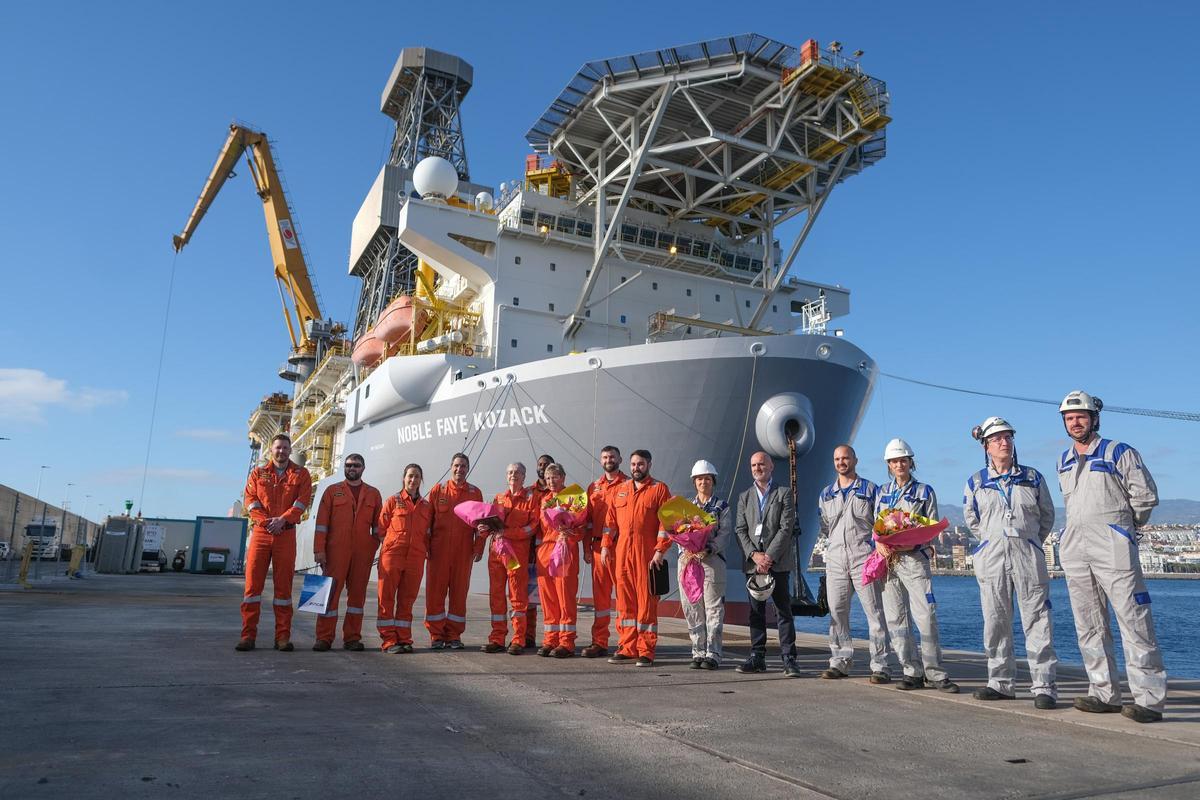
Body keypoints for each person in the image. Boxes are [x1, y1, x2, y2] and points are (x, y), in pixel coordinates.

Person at [1056, 390, 1166, 723]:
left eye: (1081, 417)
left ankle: (1148, 698)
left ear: (1094, 418)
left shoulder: (1120, 452)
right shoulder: (1063, 459)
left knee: (1133, 619)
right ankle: (1104, 692)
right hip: (1077, 547)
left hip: (1113, 545)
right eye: (1069, 418)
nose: (1076, 423)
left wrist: (1123, 529)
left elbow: (1145, 498)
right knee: (1088, 623)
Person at [963, 417, 1058, 708]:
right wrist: (993, 541)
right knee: (995, 620)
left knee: (1037, 619)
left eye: (1008, 437)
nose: (1004, 443)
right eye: (997, 439)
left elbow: (1047, 516)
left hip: (1027, 554)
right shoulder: (976, 482)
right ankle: (1000, 682)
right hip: (992, 557)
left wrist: (1028, 541)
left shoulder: (1033, 477)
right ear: (986, 447)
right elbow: (972, 521)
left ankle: (1044, 686)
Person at [876, 438, 959, 692]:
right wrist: (879, 544)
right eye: (894, 461)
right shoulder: (882, 492)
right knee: (896, 619)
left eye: (903, 460)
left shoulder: (924, 492)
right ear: (888, 465)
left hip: (915, 560)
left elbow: (930, 526)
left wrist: (909, 543)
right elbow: (875, 526)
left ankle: (935, 673)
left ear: (911, 463)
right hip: (889, 563)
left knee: (926, 617)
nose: (899, 464)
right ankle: (910, 670)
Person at [817, 444, 893, 683]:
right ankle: (840, 661)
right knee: (837, 613)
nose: (841, 462)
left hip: (864, 559)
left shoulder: (871, 490)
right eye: (837, 459)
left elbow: (881, 525)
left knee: (875, 613)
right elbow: (825, 526)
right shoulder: (826, 494)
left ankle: (880, 665)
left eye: (845, 458)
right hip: (836, 561)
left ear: (855, 460)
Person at [237, 433, 312, 652]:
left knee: (283, 590)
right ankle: (247, 636)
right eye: (278, 448)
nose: (281, 451)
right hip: (262, 533)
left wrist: (283, 520)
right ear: (271, 450)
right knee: (252, 588)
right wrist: (266, 521)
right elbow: (250, 500)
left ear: (291, 451)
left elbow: (302, 501)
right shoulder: (258, 473)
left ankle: (282, 638)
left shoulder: (302, 474)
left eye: (285, 448)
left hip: (286, 534)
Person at [603, 449, 672, 667]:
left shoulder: (659, 489)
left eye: (640, 464)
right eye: (633, 464)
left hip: (646, 553)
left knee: (646, 602)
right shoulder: (621, 489)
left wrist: (660, 551)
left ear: (649, 465)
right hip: (622, 552)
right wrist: (605, 546)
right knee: (624, 602)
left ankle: (646, 650)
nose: (636, 468)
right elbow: (610, 522)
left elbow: (667, 523)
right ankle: (627, 647)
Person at [734, 452, 801, 677]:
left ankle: (789, 658)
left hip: (778, 563)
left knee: (783, 611)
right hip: (754, 565)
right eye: (753, 465)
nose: (757, 468)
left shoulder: (784, 494)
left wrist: (768, 556)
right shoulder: (744, 497)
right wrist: (754, 555)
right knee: (755, 613)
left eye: (761, 464)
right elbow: (740, 529)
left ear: (771, 466)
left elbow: (786, 527)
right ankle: (757, 656)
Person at [312, 453, 383, 652]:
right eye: (349, 465)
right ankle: (323, 638)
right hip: (335, 552)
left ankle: (352, 638)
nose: (352, 468)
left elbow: (379, 527)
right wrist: (319, 550)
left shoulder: (373, 494)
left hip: (362, 553)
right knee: (328, 595)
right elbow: (321, 525)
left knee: (357, 598)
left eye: (356, 465)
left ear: (363, 468)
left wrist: (373, 547)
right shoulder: (332, 491)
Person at [424, 453, 484, 650]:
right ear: (451, 467)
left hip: (463, 551)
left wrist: (478, 547)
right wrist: (425, 547)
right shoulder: (438, 490)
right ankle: (436, 635)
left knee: (459, 593)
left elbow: (481, 525)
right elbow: (427, 522)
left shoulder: (475, 493)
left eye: (464, 466)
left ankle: (454, 635)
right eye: (457, 465)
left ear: (468, 468)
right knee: (435, 593)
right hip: (438, 551)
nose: (460, 469)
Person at [481, 462, 540, 655]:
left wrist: (508, 533)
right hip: (496, 555)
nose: (513, 475)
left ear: (524, 477)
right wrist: (482, 529)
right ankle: (497, 638)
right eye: (510, 472)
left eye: (517, 473)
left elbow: (532, 527)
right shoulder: (498, 498)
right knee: (496, 597)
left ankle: (518, 639)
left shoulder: (531, 499)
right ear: (506, 476)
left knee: (518, 598)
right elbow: (489, 525)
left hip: (516, 555)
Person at [681, 460, 732, 670]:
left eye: (707, 479)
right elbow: (678, 532)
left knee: (713, 608)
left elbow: (725, 533)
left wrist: (709, 549)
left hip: (712, 561)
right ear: (694, 482)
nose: (704, 482)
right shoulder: (686, 507)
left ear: (713, 481)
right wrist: (686, 550)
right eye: (700, 479)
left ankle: (713, 653)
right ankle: (697, 651)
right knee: (692, 607)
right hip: (689, 562)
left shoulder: (722, 507)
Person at [376, 464, 432, 654]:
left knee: (407, 600)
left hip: (415, 558)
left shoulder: (426, 506)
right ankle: (389, 640)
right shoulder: (393, 501)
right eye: (410, 476)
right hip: (392, 556)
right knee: (386, 598)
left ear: (421, 480)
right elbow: (381, 528)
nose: (413, 480)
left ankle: (404, 638)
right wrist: (392, 545)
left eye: (417, 477)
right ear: (404, 478)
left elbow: (428, 533)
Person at [582, 445, 627, 658]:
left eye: (612, 457)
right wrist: (587, 548)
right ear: (601, 460)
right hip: (599, 549)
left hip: (620, 548)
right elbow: (587, 522)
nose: (609, 460)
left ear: (620, 459)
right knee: (600, 600)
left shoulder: (628, 484)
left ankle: (626, 643)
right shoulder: (594, 487)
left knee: (624, 597)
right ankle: (599, 642)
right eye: (605, 457)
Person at [537, 463, 585, 657]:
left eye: (555, 477)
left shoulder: (574, 497)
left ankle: (566, 641)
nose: (551, 481)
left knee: (565, 597)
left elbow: (582, 527)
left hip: (565, 549)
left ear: (563, 477)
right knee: (548, 599)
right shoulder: (545, 500)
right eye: (548, 478)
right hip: (546, 550)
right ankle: (550, 639)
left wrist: (570, 533)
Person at [524, 453, 555, 647]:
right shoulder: (529, 492)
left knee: (552, 595)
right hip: (529, 549)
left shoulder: (559, 493)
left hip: (550, 549)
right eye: (540, 464)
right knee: (529, 596)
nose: (543, 467)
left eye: (546, 465)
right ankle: (528, 636)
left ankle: (553, 638)